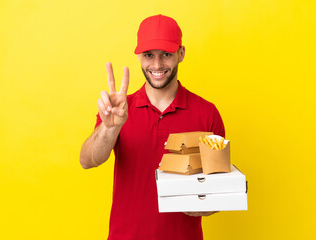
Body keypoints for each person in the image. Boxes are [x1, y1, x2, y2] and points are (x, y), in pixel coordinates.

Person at [80, 14, 225, 240]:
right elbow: (88, 161)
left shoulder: (207, 113)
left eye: (166, 55)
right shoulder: (119, 109)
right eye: (149, 55)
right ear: (139, 57)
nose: (157, 65)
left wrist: (206, 205)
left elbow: (220, 189)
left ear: (181, 54)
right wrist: (110, 129)